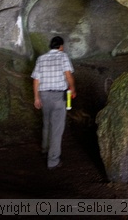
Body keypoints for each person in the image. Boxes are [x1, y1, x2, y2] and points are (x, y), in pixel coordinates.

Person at [31, 35, 76, 169]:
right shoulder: (63, 56)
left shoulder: (41, 58)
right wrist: (73, 88)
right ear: (61, 46)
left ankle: (45, 150)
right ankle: (53, 160)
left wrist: (36, 97)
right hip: (57, 96)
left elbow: (36, 80)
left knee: (47, 123)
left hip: (44, 95)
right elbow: (68, 76)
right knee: (57, 128)